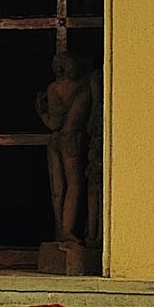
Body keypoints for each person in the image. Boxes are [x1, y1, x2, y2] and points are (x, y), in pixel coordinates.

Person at [37, 53, 98, 244]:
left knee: (58, 188)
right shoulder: (85, 87)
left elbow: (54, 123)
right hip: (71, 139)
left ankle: (61, 231)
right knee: (73, 185)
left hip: (57, 140)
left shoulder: (55, 88)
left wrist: (42, 114)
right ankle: (66, 231)